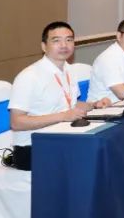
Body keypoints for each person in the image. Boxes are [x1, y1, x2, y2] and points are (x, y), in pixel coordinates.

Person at [8, 21, 91, 154]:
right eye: (56, 40)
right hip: (33, 147)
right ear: (44, 46)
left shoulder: (69, 69)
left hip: (63, 137)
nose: (64, 45)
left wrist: (95, 105)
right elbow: (16, 122)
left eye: (69, 40)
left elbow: (70, 104)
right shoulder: (29, 76)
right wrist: (62, 116)